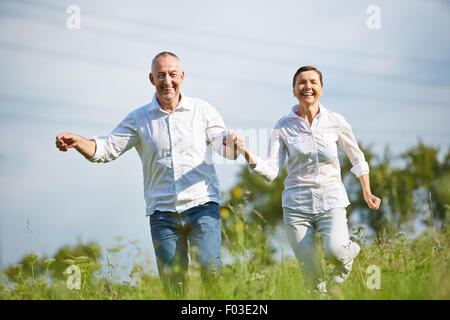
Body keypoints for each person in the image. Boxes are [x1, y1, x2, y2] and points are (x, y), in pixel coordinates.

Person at [55, 51, 239, 296]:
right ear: (151, 79)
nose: (167, 81)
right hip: (163, 215)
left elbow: (224, 148)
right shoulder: (139, 118)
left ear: (182, 76)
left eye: (172, 74)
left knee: (209, 270)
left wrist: (234, 143)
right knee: (175, 288)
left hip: (202, 207)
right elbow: (106, 149)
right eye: (160, 75)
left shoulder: (203, 110)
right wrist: (78, 141)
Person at [232, 66, 381, 293]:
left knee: (336, 252)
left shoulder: (335, 121)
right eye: (302, 82)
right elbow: (271, 171)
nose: (307, 87)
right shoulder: (283, 126)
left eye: (313, 82)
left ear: (321, 88)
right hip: (296, 206)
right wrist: (245, 152)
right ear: (294, 90)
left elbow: (356, 156)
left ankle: (350, 253)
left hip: (331, 199)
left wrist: (366, 191)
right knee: (312, 276)